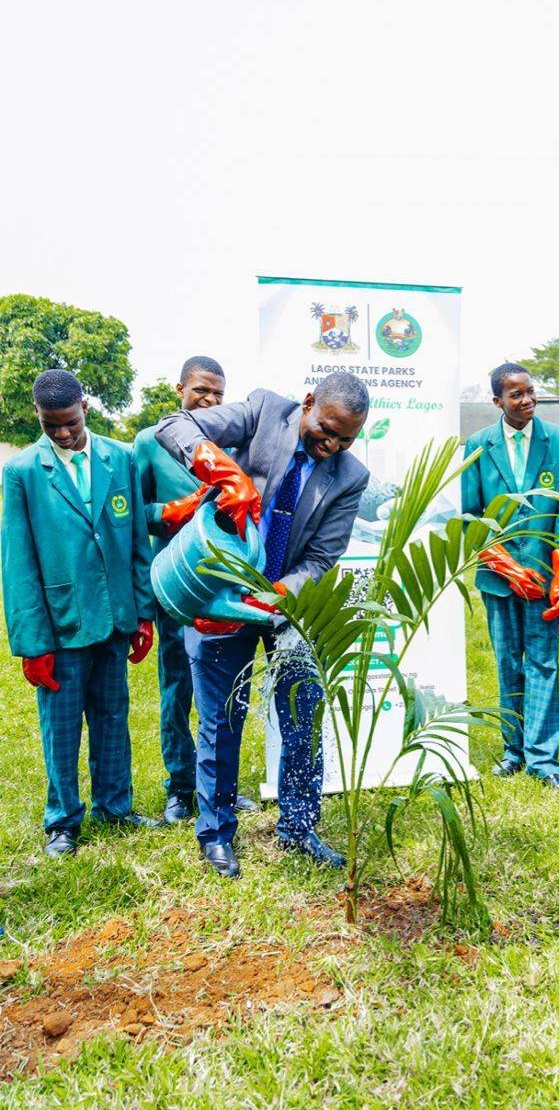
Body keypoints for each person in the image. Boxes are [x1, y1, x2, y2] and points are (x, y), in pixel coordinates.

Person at [156, 372, 370, 878]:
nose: (332, 443)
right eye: (327, 428)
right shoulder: (262, 412)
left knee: (302, 717)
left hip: (286, 608)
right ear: (309, 402)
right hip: (219, 599)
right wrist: (223, 471)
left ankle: (298, 827)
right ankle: (215, 833)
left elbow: (321, 558)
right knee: (220, 719)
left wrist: (276, 594)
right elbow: (175, 424)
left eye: (346, 438)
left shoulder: (349, 475)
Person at [1, 369, 159, 856]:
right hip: (61, 624)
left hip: (114, 618)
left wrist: (143, 613)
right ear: (39, 418)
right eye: (52, 426)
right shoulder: (23, 472)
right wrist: (32, 643)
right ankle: (64, 820)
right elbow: (18, 562)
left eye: (70, 422)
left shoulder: (121, 458)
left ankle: (115, 805)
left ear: (85, 408)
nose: (64, 433)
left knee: (113, 716)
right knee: (62, 726)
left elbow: (136, 541)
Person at [133, 355, 259, 823]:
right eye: (200, 391)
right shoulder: (149, 443)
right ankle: (179, 787)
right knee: (176, 688)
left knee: (223, 691)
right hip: (173, 585)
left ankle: (221, 784)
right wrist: (172, 511)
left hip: (222, 586)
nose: (208, 400)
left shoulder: (230, 441)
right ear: (180, 388)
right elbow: (129, 514)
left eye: (217, 395)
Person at [462, 363, 559, 792]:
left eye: (531, 392)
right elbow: (469, 515)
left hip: (546, 579)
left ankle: (543, 759)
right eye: (516, 395)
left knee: (544, 663)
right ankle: (514, 749)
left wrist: (553, 569)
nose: (527, 400)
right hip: (499, 578)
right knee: (508, 661)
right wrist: (507, 568)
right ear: (497, 401)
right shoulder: (478, 445)